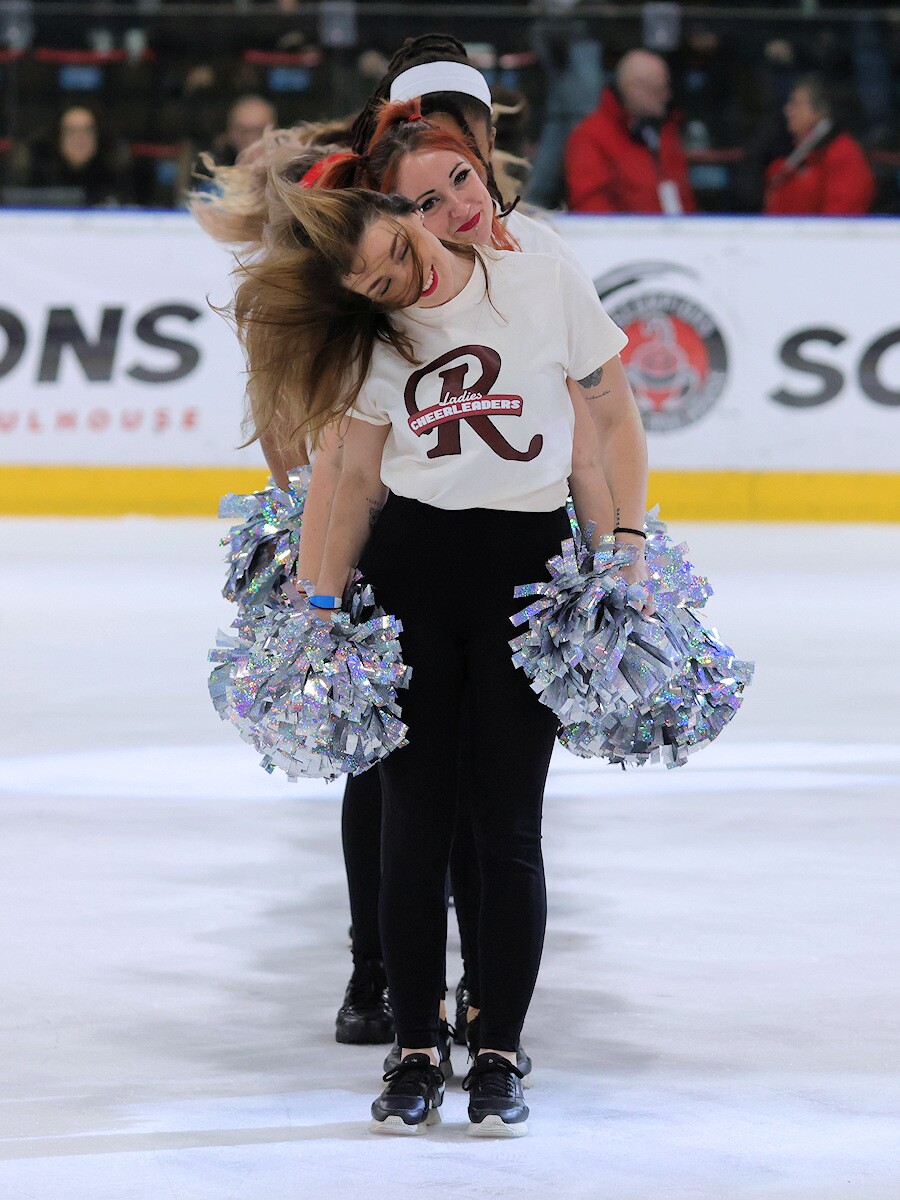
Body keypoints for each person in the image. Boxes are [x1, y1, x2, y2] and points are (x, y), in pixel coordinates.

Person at [229, 179, 647, 1135]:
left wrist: (618, 550)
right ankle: (415, 1047)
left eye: (397, 251)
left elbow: (593, 445)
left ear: (403, 214)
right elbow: (353, 481)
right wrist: (320, 603)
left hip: (529, 577)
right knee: (413, 826)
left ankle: (498, 1049)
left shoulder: (543, 284)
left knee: (509, 828)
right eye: (376, 282)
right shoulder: (369, 338)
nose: (401, 279)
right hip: (412, 576)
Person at [564, 49, 696, 214]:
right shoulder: (590, 136)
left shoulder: (665, 130)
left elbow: (684, 196)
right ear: (633, 88)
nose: (666, 96)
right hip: (625, 229)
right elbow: (591, 208)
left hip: (676, 227)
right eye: (657, 90)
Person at [764, 74, 875, 215]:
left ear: (820, 110)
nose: (787, 110)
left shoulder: (842, 153)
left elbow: (842, 215)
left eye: (796, 104)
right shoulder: (797, 154)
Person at [17, 105, 132, 206]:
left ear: (97, 137)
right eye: (71, 131)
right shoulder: (37, 176)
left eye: (87, 131)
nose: (79, 138)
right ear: (58, 138)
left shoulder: (114, 176)